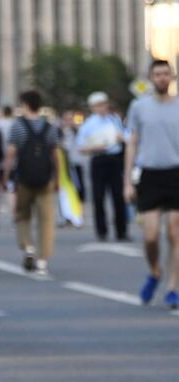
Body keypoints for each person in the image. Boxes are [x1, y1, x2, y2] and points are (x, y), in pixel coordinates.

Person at [124, 58, 179, 309]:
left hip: (175, 173)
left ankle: (172, 288)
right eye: (157, 74)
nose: (162, 78)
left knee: (174, 233)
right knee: (151, 236)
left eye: (166, 74)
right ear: (150, 78)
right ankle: (155, 271)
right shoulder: (139, 107)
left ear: (172, 77)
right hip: (149, 174)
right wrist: (127, 181)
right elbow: (132, 143)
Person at [4, 89, 61, 277]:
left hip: (24, 179)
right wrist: (57, 177)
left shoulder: (18, 126)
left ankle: (28, 246)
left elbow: (11, 153)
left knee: (22, 215)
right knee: (46, 220)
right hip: (45, 179)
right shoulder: (50, 127)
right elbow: (55, 154)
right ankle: (43, 260)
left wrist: (6, 176)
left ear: (26, 105)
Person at [77, 92, 127, 241]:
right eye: (98, 105)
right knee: (99, 197)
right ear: (93, 108)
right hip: (99, 160)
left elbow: (126, 136)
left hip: (115, 160)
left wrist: (121, 138)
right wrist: (95, 147)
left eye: (104, 104)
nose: (102, 108)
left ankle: (121, 231)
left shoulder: (115, 120)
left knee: (118, 196)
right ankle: (102, 231)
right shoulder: (89, 124)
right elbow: (81, 147)